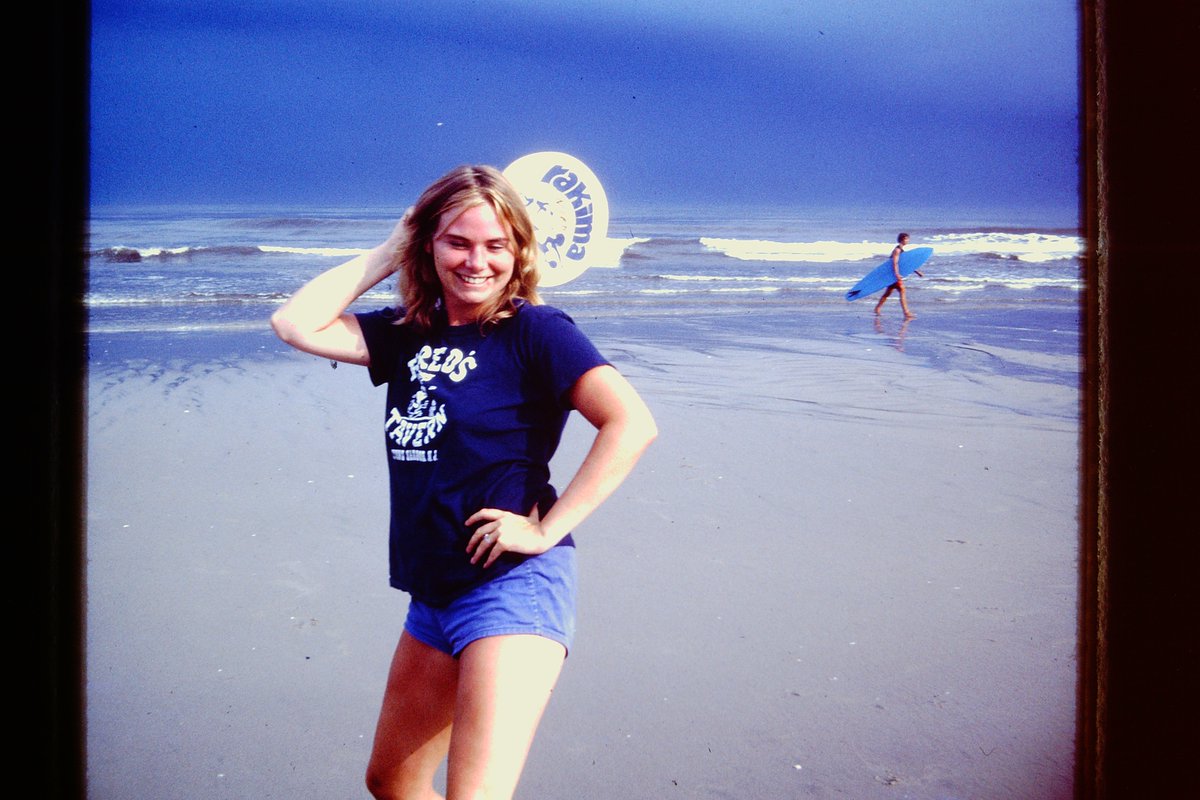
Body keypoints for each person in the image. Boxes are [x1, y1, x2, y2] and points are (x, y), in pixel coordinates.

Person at [270, 164, 657, 800]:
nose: (476, 261)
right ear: (429, 245)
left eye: (496, 245)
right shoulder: (407, 333)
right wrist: (391, 248)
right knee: (392, 780)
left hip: (512, 587)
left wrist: (544, 529)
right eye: (457, 241)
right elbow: (295, 324)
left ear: (520, 251)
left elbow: (631, 424)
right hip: (434, 594)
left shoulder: (536, 331)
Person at [873, 232, 923, 319]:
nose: (908, 241)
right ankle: (906, 313)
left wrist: (917, 272)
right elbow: (895, 263)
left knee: (888, 292)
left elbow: (905, 264)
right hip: (894, 275)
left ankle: (877, 308)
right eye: (907, 239)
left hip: (893, 275)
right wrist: (896, 274)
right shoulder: (897, 250)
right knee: (902, 291)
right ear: (903, 239)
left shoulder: (902, 250)